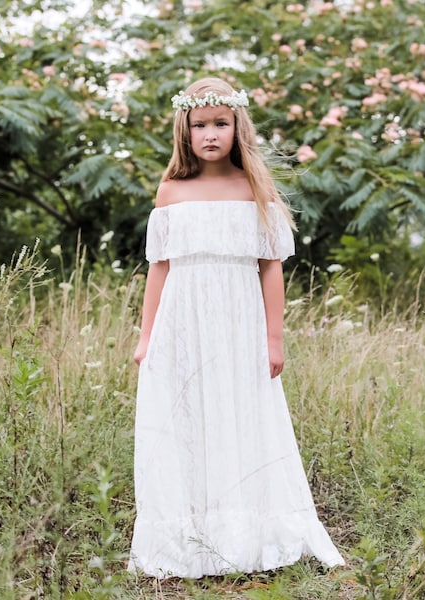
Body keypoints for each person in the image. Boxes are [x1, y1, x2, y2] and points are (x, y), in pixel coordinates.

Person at [128, 76, 345, 579]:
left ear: (236, 128)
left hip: (238, 321)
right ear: (185, 130)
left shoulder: (253, 189)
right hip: (182, 320)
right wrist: (146, 338)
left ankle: (245, 529)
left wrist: (273, 337)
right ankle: (193, 534)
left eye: (220, 124)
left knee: (237, 413)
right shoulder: (171, 191)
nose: (210, 134)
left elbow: (270, 266)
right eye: (200, 125)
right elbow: (158, 268)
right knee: (187, 417)